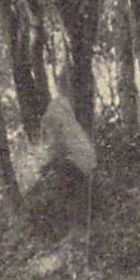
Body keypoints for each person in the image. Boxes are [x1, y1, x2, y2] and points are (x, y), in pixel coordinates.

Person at [32, 75, 97, 230]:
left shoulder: (54, 113)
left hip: (75, 164)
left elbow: (54, 147)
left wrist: (47, 165)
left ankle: (72, 230)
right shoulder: (66, 109)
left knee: (66, 195)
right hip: (85, 163)